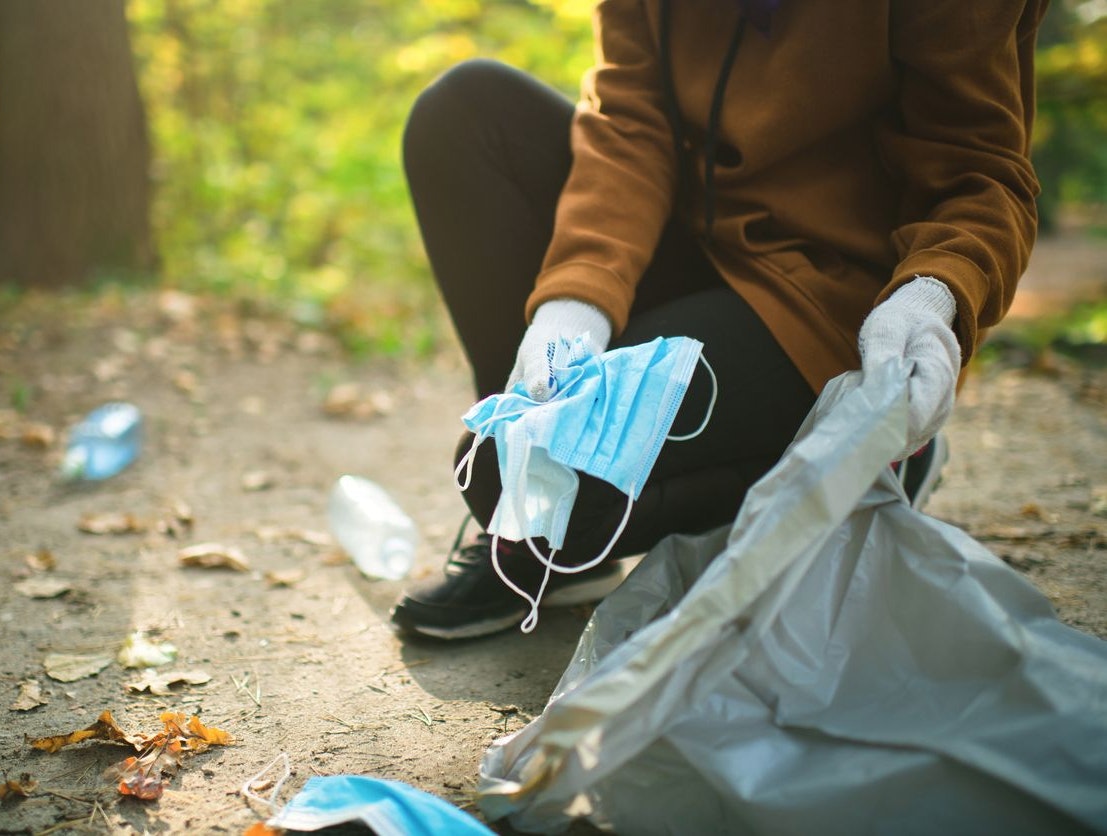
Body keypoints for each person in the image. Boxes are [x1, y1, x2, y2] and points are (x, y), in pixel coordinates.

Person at [391, 0, 1047, 640]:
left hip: (831, 305)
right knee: (464, 109)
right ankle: (532, 526)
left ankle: (866, 458)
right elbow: (628, 122)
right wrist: (577, 298)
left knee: (503, 481)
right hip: (694, 249)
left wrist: (930, 296)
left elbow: (979, 173)